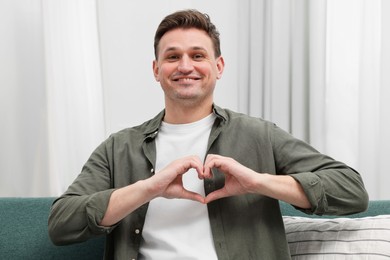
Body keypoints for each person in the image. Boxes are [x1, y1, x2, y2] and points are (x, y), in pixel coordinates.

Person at [48, 9, 369, 260]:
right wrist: (148, 189)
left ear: (219, 66)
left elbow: (352, 191)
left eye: (197, 55)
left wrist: (259, 182)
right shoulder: (118, 147)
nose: (185, 65)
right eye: (172, 56)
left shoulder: (259, 135)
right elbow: (62, 224)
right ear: (156, 69)